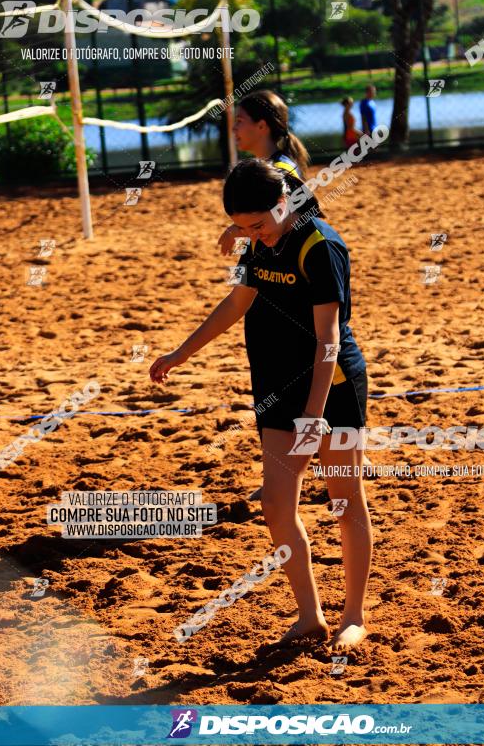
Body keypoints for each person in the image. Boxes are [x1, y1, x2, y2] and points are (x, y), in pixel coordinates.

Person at [149, 159, 372, 650]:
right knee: (275, 504)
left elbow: (328, 341)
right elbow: (237, 301)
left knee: (344, 501)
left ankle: (352, 615)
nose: (253, 234)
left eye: (258, 224)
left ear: (283, 203)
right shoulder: (257, 241)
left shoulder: (321, 246)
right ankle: (309, 615)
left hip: (330, 385)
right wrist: (180, 353)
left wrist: (313, 418)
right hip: (276, 383)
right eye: (242, 226)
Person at [218, 90, 310, 257]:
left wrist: (237, 230)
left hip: (286, 264)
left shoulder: (281, 169)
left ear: (261, 126)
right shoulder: (262, 169)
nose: (233, 128)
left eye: (239, 121)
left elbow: (287, 220)